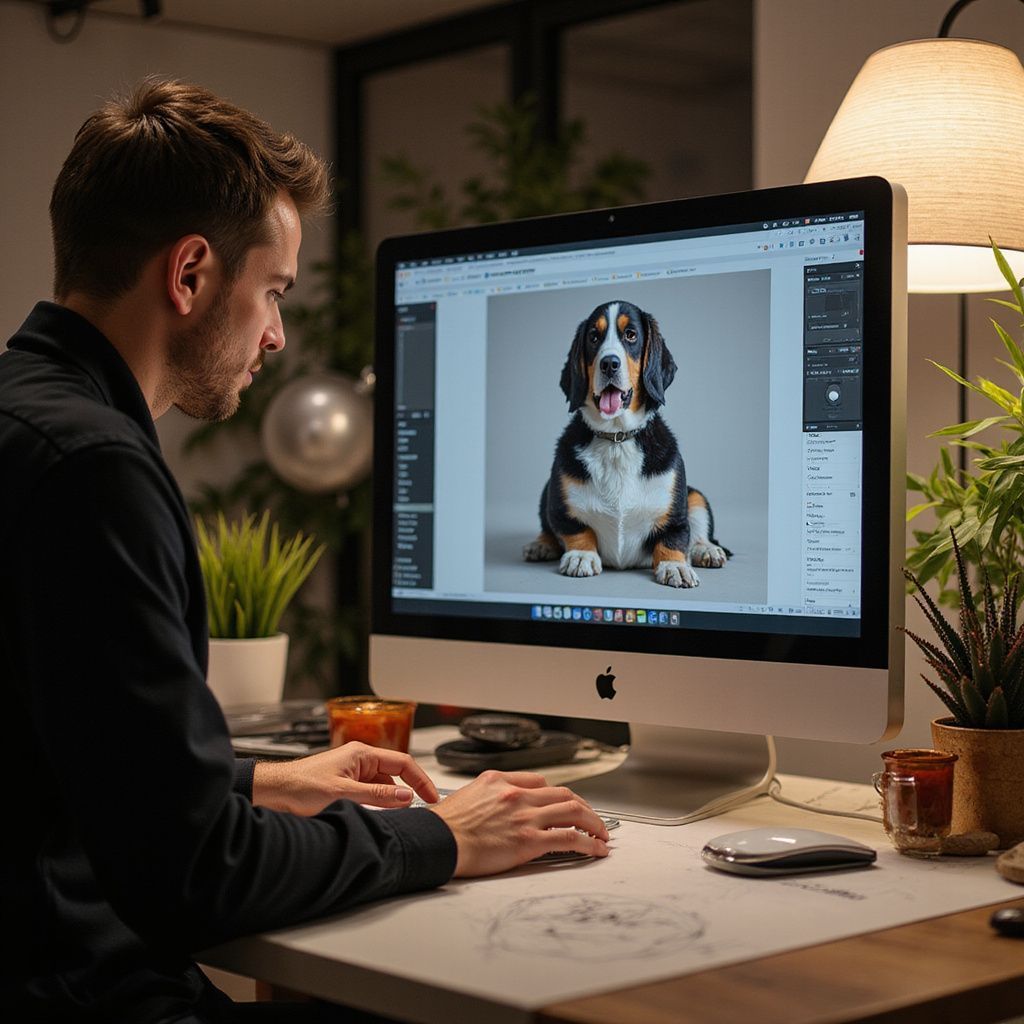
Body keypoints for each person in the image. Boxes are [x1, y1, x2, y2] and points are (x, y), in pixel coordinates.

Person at [0, 78, 610, 1024]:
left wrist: (254, 779)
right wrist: (442, 835)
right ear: (191, 273)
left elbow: (52, 749)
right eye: (273, 292)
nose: (278, 336)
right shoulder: (94, 470)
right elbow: (197, 875)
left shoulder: (22, 421)